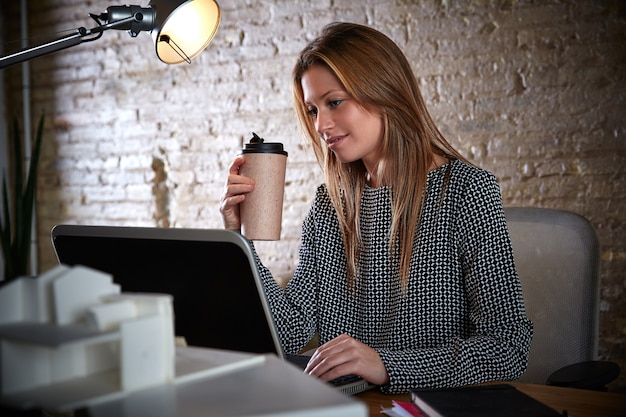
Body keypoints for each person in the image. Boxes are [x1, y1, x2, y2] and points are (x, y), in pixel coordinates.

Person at [220, 22, 533, 394]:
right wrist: (239, 241)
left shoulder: (466, 190)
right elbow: (286, 334)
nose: (321, 124)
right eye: (313, 110)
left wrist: (385, 365)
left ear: (385, 92)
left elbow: (509, 347)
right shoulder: (329, 205)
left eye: (334, 102)